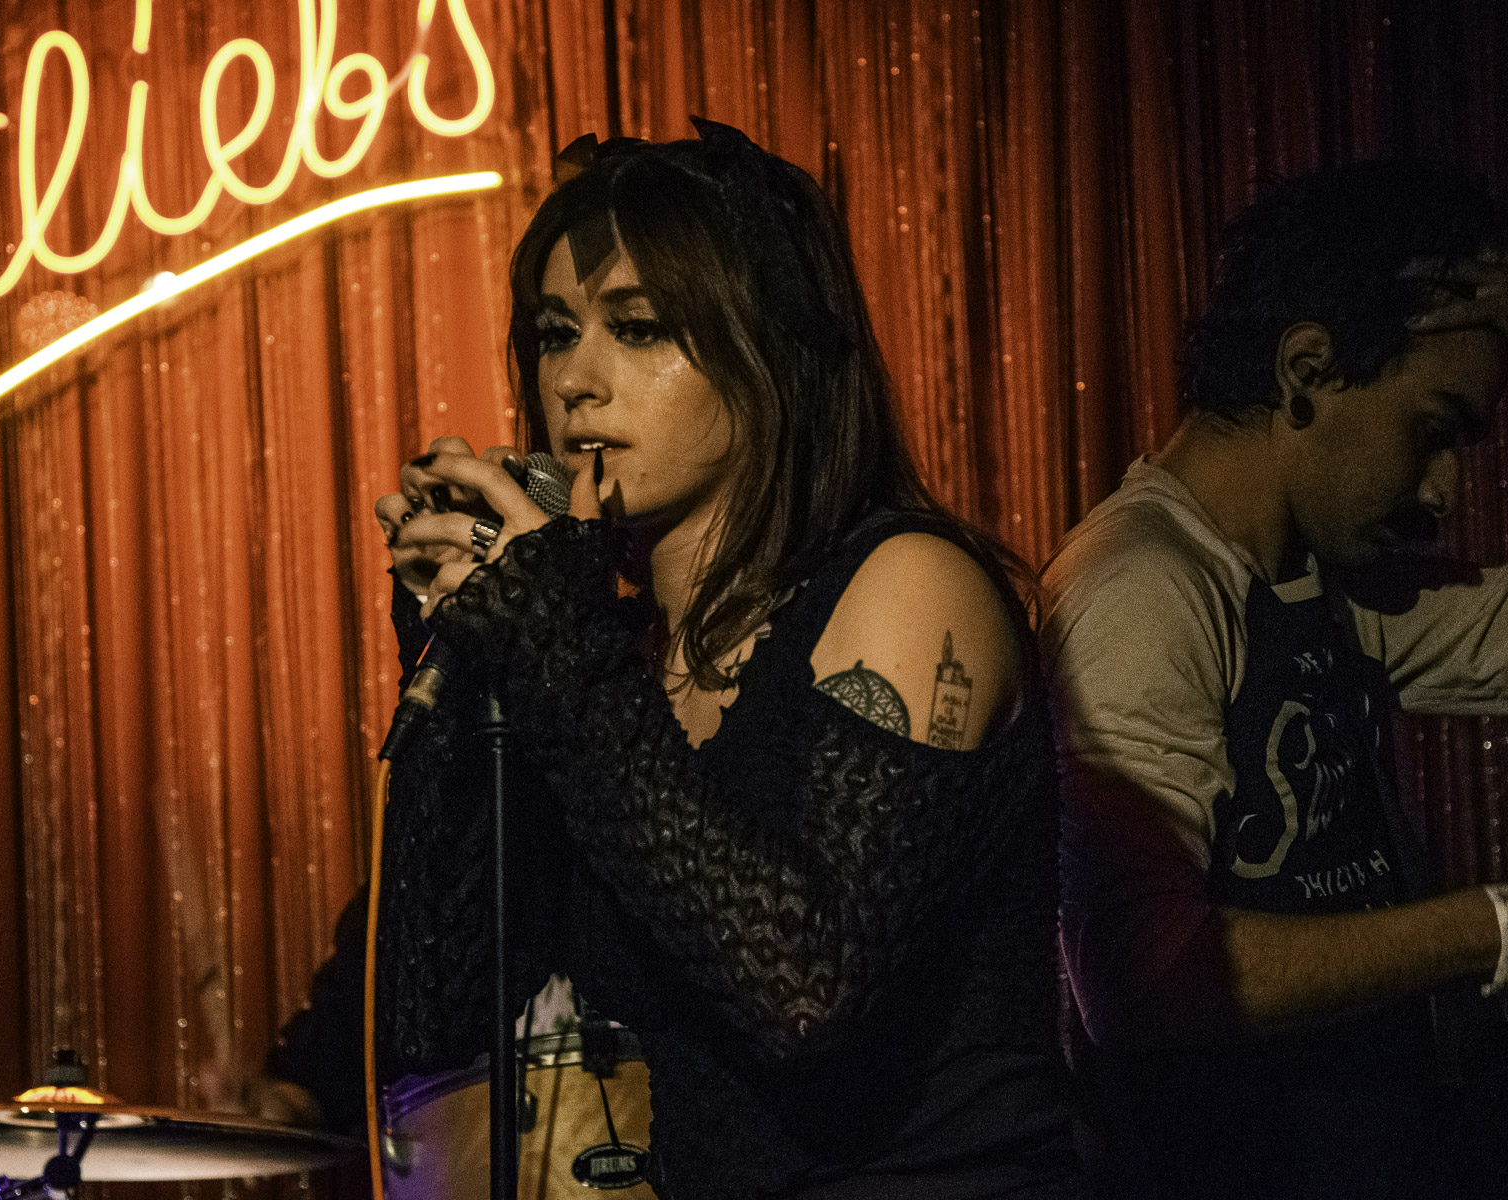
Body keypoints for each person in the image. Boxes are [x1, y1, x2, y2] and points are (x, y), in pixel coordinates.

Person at [256, 120, 1081, 1199]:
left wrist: (556, 646)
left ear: (769, 352)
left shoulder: (911, 587)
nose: (576, 379)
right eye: (556, 332)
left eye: (639, 329)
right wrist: (460, 677)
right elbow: (434, 1015)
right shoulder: (605, 657)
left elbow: (803, 992)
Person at [1040, 159, 1508, 1200]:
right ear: (1306, 370)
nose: (1446, 491)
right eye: (1432, 432)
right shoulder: (1143, 586)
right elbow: (1139, 976)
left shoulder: (1315, 579)